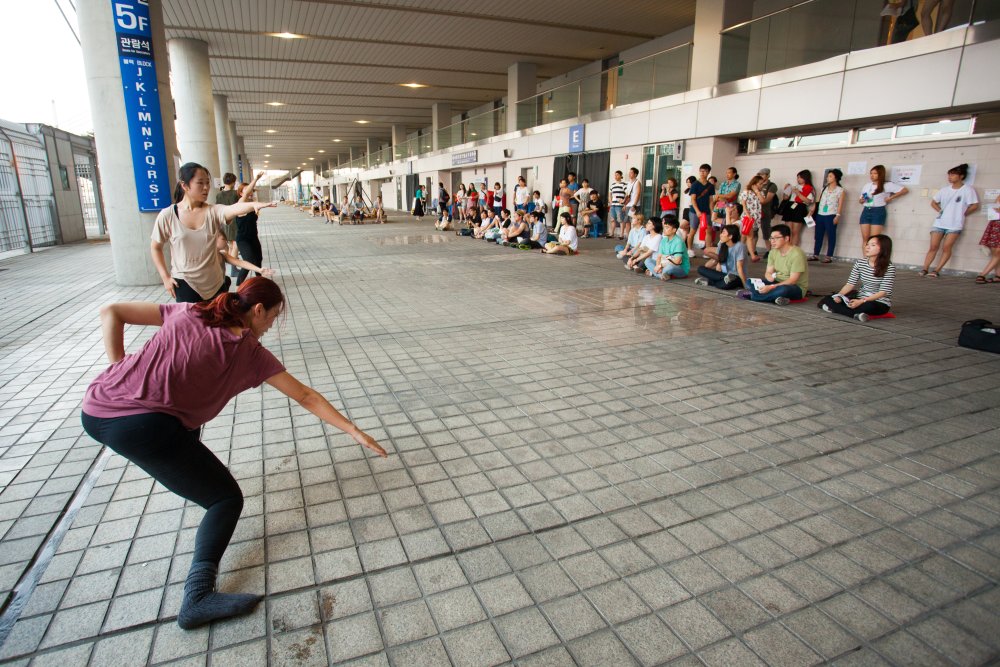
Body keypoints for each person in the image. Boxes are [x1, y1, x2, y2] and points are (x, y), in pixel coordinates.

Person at [81, 278, 387, 630]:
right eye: (272, 317)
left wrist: (118, 370)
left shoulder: (193, 311)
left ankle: (193, 485)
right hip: (140, 426)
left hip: (97, 406)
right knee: (224, 499)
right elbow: (305, 396)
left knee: (187, 434)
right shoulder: (248, 352)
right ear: (257, 310)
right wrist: (354, 431)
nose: (270, 326)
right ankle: (197, 597)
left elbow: (112, 311)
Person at [151, 163, 275, 304]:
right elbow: (155, 247)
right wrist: (165, 277)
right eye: (200, 183)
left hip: (215, 285)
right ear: (184, 185)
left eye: (207, 183)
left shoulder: (213, 211)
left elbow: (233, 209)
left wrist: (253, 205)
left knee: (219, 318)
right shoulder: (168, 215)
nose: (206, 187)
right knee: (192, 319)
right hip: (185, 283)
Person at [921, 163, 979, 278]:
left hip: (955, 225)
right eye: (949, 175)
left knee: (946, 247)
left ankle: (937, 270)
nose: (950, 177)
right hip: (939, 223)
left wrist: (962, 213)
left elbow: (974, 205)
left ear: (961, 176)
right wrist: (941, 211)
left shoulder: (968, 190)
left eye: (953, 175)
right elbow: (933, 202)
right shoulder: (944, 190)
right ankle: (925, 268)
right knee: (933, 247)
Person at [820, 235, 896, 321]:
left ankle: (834, 309)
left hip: (878, 302)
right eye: (867, 244)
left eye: (873, 245)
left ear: (883, 249)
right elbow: (850, 284)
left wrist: (861, 301)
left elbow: (883, 292)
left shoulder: (889, 268)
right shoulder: (860, 263)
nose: (867, 247)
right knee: (830, 298)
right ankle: (855, 314)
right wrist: (839, 295)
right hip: (859, 298)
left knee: (868, 306)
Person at [737, 224, 808, 305]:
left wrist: (771, 287)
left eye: (776, 238)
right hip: (776, 282)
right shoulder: (773, 252)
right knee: (749, 282)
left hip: (795, 287)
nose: (772, 241)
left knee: (783, 290)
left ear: (786, 238)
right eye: (771, 238)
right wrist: (768, 276)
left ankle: (753, 296)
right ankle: (775, 298)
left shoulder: (797, 254)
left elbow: (792, 280)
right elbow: (768, 272)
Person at [859, 165, 908, 252]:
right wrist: (861, 200)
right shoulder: (867, 185)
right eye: (871, 173)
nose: (872, 175)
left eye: (875, 173)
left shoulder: (887, 185)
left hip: (878, 211)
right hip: (866, 210)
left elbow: (904, 190)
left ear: (880, 174)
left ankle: (873, 259)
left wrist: (891, 197)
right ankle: (865, 258)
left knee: (874, 240)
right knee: (865, 239)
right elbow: (861, 199)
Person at [234, 172, 268, 287]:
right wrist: (256, 179)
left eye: (251, 190)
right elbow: (247, 193)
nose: (250, 191)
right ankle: (238, 286)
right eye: (247, 190)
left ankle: (259, 283)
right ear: (240, 193)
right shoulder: (240, 204)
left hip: (253, 237)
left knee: (258, 260)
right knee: (248, 261)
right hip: (243, 239)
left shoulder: (252, 205)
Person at [808, 169, 845, 263]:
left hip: (831, 214)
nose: (828, 178)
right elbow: (818, 201)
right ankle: (815, 254)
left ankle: (829, 256)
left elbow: (840, 204)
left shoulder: (840, 190)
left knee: (831, 235)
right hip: (820, 214)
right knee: (818, 235)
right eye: (828, 176)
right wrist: (812, 210)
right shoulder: (823, 188)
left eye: (830, 176)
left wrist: (838, 216)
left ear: (836, 178)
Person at [695, 224, 747, 290]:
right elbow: (720, 263)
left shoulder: (740, 246)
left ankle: (710, 282)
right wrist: (716, 273)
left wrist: (746, 286)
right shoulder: (722, 245)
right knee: (700, 269)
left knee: (724, 285)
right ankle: (722, 279)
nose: (721, 235)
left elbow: (740, 268)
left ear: (730, 236)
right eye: (721, 232)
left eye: (723, 233)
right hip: (724, 275)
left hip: (737, 276)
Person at [777, 170, 815, 248]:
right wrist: (786, 189)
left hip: (800, 208)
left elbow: (808, 201)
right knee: (788, 231)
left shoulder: (810, 188)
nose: (798, 179)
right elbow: (785, 198)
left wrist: (798, 193)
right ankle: (787, 248)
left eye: (800, 177)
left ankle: (793, 249)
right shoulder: (794, 187)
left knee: (795, 232)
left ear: (806, 178)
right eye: (797, 177)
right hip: (790, 207)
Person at [687, 164, 715, 256]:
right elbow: (693, 199)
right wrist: (697, 211)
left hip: (706, 211)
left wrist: (712, 211)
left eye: (705, 171)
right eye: (701, 171)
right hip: (694, 212)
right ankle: (689, 249)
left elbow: (711, 200)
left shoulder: (710, 186)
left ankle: (707, 251)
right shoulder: (695, 184)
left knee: (709, 230)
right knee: (693, 230)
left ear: (708, 172)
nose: (702, 173)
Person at [739, 175, 764, 263]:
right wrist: (747, 214)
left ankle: (741, 253)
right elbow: (743, 204)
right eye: (760, 184)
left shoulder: (760, 192)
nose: (761, 185)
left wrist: (757, 191)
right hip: (748, 218)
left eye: (762, 184)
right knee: (749, 236)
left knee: (745, 236)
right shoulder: (746, 192)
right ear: (754, 183)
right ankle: (752, 255)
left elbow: (762, 201)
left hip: (756, 218)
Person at [976, 194, 1000, 283]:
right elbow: (995, 206)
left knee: (998, 251)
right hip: (996, 224)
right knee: (995, 252)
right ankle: (998, 275)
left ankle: (982, 274)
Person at [756, 168, 779, 258]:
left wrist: (757, 193)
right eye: (759, 174)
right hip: (755, 211)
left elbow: (766, 200)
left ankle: (769, 251)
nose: (761, 176)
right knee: (753, 231)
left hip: (765, 212)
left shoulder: (772, 186)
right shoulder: (756, 184)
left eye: (763, 174)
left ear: (768, 175)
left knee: (766, 231)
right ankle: (753, 250)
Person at [608, 170, 627, 239]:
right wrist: (610, 203)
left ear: (621, 176)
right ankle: (611, 234)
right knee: (612, 219)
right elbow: (610, 194)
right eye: (615, 175)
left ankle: (621, 235)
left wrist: (624, 203)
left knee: (621, 220)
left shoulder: (624, 184)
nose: (616, 176)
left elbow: (627, 194)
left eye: (617, 175)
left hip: (619, 205)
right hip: (613, 205)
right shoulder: (612, 185)